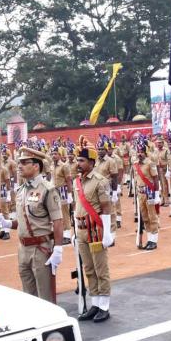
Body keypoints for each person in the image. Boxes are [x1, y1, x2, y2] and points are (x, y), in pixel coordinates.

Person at [0, 147, 64, 303]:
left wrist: (58, 249)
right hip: (23, 249)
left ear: (36, 166)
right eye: (19, 162)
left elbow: (58, 221)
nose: (20, 166)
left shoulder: (47, 189)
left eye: (25, 162)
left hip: (41, 248)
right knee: (29, 296)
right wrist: (6, 223)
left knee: (45, 296)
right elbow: (24, 220)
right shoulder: (21, 190)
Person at [73, 137, 114, 323]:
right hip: (81, 231)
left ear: (91, 162)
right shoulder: (77, 182)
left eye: (81, 161)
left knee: (100, 269)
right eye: (77, 160)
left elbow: (106, 208)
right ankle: (95, 303)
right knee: (88, 269)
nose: (78, 164)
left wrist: (107, 232)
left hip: (95, 231)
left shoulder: (100, 181)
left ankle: (104, 306)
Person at [133, 140, 160, 250]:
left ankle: (154, 240)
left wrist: (157, 194)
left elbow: (155, 178)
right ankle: (149, 239)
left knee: (152, 216)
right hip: (140, 193)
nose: (139, 154)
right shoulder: (135, 164)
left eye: (141, 152)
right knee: (145, 217)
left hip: (149, 192)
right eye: (138, 152)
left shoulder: (150, 163)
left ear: (146, 153)